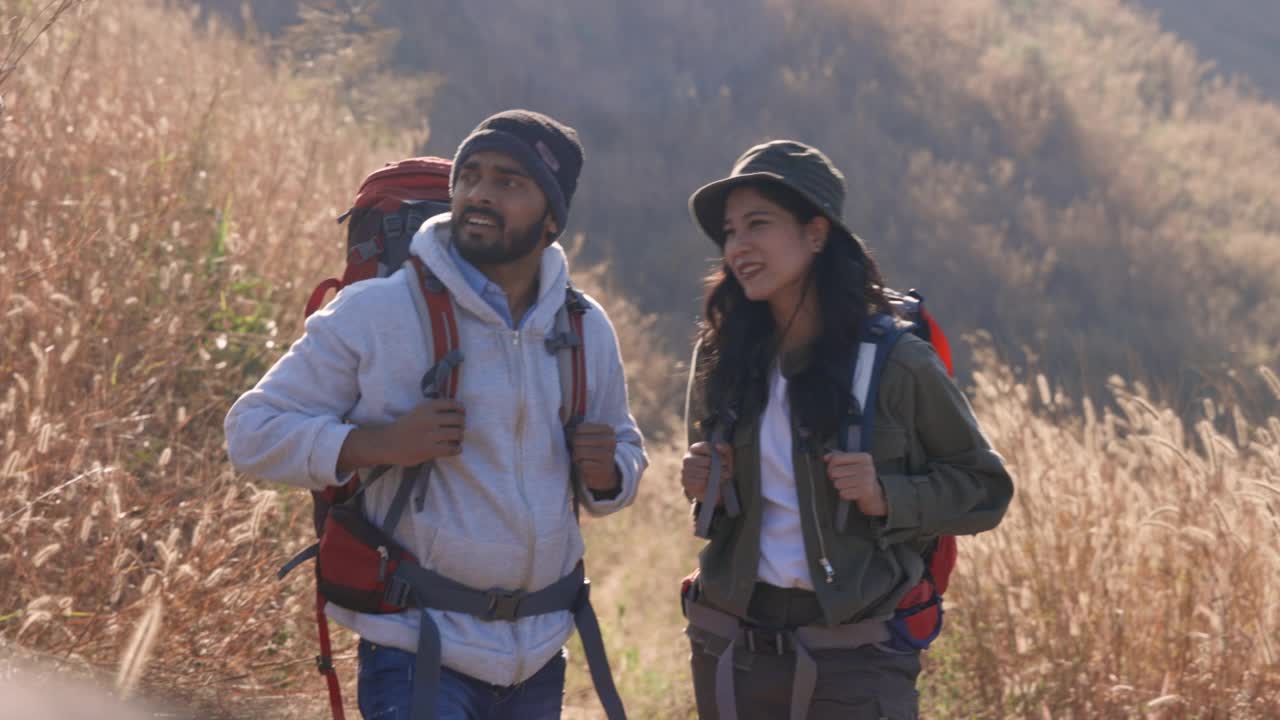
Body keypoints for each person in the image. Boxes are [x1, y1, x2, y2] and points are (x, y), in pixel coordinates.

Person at [225, 110, 647, 720]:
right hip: (416, 651)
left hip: (539, 656)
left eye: (509, 181)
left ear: (552, 217)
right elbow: (251, 433)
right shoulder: (378, 313)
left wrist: (609, 473)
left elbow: (624, 458)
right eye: (470, 174)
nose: (479, 192)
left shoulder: (584, 328)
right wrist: (378, 444)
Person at [679, 140, 1013, 719]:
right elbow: (718, 511)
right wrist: (703, 480)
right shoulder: (721, 354)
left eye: (758, 224)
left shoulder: (896, 363)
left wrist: (888, 494)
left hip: (856, 660)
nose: (739, 246)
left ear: (816, 233)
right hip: (732, 650)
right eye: (730, 232)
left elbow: (986, 491)